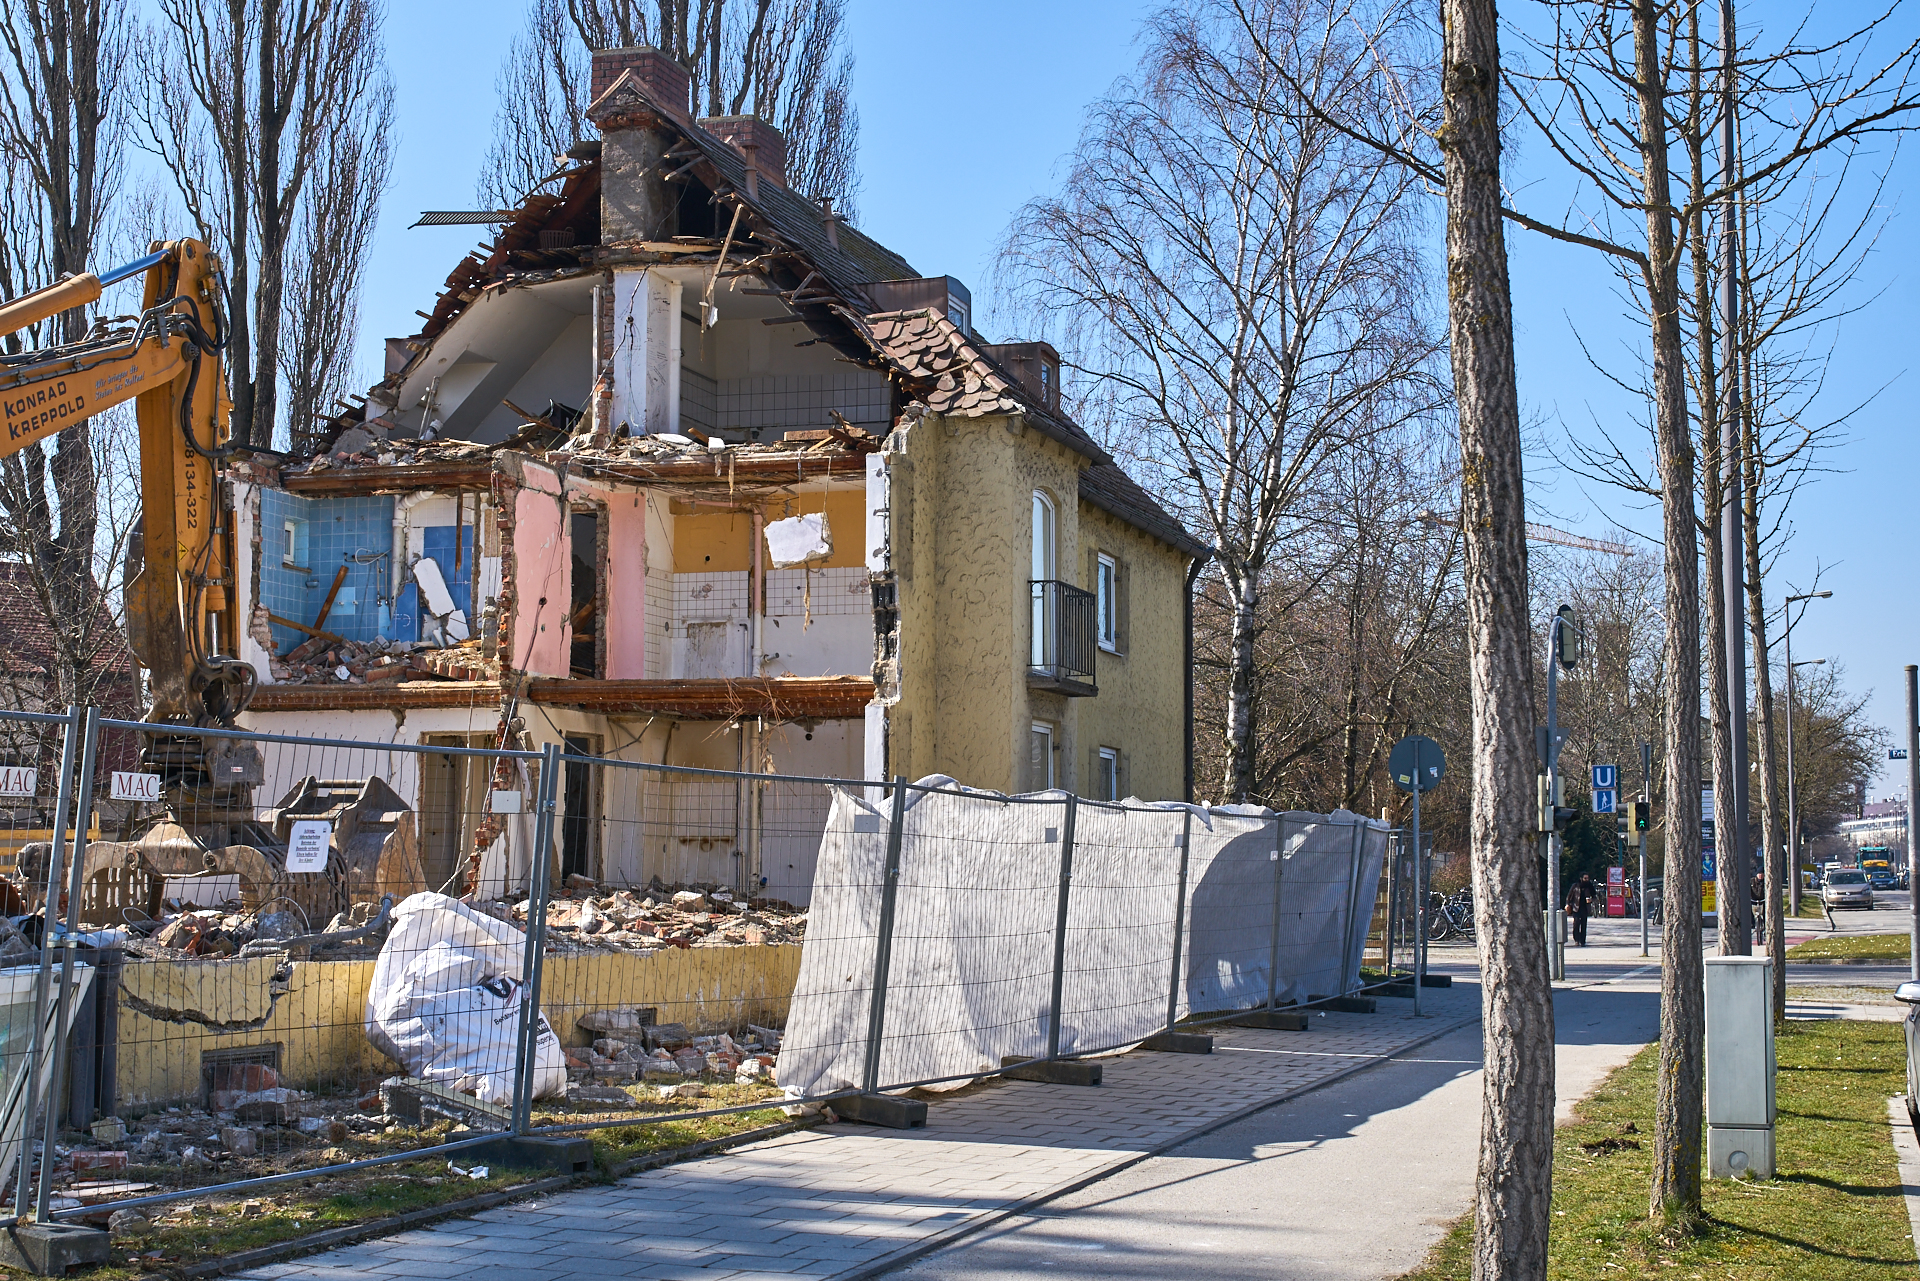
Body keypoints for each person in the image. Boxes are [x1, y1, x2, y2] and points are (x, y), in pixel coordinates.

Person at [1566, 873, 1596, 947]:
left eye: (1587, 878)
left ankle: (1583, 941)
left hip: (1585, 908)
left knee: (1583, 924)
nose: (1586, 880)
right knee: (1576, 924)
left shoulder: (1590, 886)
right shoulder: (1575, 886)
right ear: (1581, 878)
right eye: (1585, 878)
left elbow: (1594, 896)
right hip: (1576, 907)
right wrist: (1568, 904)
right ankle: (1576, 939)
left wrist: (1591, 900)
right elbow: (1569, 896)